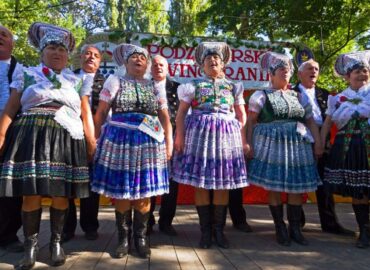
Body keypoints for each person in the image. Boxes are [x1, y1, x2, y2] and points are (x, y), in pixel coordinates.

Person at [0, 22, 91, 269]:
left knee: (61, 192)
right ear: (42, 52)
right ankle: (30, 248)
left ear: (67, 54)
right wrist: (1, 134)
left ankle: (56, 244)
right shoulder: (27, 73)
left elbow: (85, 112)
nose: (57, 52)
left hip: (66, 136)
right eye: (51, 47)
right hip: (31, 133)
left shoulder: (75, 79)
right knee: (31, 192)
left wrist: (91, 141)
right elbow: (11, 107)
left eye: (62, 49)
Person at [92, 43, 172, 258]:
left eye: (143, 58)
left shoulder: (155, 85)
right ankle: (123, 239)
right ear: (125, 62)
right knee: (123, 191)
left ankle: (141, 238)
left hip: (149, 143)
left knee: (145, 191)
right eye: (134, 57)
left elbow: (164, 117)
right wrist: (95, 140)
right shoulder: (115, 80)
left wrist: (169, 143)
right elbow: (101, 113)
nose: (139, 60)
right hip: (120, 141)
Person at [173, 42, 249, 249]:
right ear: (201, 65)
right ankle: (205, 232)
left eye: (216, 59)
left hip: (226, 138)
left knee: (223, 183)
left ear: (223, 64)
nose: (213, 61)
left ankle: (219, 231)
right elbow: (180, 115)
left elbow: (242, 115)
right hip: (199, 136)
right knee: (201, 183)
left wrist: (242, 140)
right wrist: (179, 138)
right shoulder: (192, 85)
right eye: (208, 59)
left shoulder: (234, 86)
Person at [246, 52, 322, 246]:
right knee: (275, 186)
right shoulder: (260, 95)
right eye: (281, 69)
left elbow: (311, 121)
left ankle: (295, 228)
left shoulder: (299, 95)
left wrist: (318, 142)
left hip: (298, 146)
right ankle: (280, 227)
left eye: (288, 70)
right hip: (272, 146)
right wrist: (248, 144)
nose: (285, 73)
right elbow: (251, 121)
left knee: (296, 186)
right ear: (271, 74)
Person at [294, 59, 353, 235]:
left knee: (325, 184)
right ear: (299, 74)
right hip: (299, 138)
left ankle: (330, 223)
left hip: (323, 138)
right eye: (310, 68)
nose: (314, 71)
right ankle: (297, 222)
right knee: (298, 182)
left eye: (317, 69)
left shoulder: (326, 94)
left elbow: (334, 118)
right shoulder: (291, 92)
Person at [320, 51, 370, 248]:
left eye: (365, 70)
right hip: (349, 147)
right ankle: (364, 232)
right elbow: (326, 124)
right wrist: (321, 144)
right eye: (357, 71)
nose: (362, 74)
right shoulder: (338, 98)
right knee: (359, 190)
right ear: (348, 76)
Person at [63, 44, 104, 242]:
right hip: (68, 135)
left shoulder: (106, 82)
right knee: (67, 182)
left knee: (90, 184)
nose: (91, 57)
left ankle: (90, 226)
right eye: (87, 53)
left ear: (100, 61)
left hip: (96, 137)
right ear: (80, 57)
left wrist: (94, 137)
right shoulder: (67, 78)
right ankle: (66, 228)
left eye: (95, 55)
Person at [148, 55, 180, 236]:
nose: (158, 67)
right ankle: (148, 221)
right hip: (148, 138)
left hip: (173, 137)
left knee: (172, 183)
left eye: (161, 65)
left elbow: (186, 114)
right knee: (150, 179)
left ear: (167, 68)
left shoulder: (178, 87)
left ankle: (166, 222)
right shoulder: (144, 84)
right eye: (154, 64)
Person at [0, 25, 23, 253]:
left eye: (4, 34)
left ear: (12, 43)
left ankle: (8, 235)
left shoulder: (21, 70)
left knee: (9, 186)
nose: (0, 37)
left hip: (11, 130)